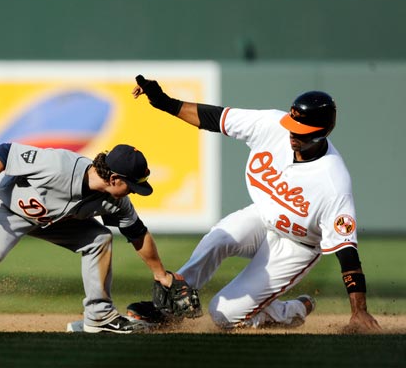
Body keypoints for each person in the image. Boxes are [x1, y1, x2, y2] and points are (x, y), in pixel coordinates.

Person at [131, 75, 381, 332]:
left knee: (222, 315)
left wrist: (359, 311)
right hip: (264, 216)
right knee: (218, 239)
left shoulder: (333, 182)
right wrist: (164, 102)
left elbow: (347, 252)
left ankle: (291, 310)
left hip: (298, 245)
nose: (292, 133)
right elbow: (215, 118)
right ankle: (170, 305)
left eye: (301, 131)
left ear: (321, 132)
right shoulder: (273, 125)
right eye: (292, 124)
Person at [0, 142, 187, 334]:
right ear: (114, 178)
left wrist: (160, 274)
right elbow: (4, 152)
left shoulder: (115, 202)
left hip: (52, 220)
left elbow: (137, 233)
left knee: (99, 238)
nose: (133, 191)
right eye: (132, 185)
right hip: (5, 206)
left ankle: (99, 318)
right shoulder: (59, 165)